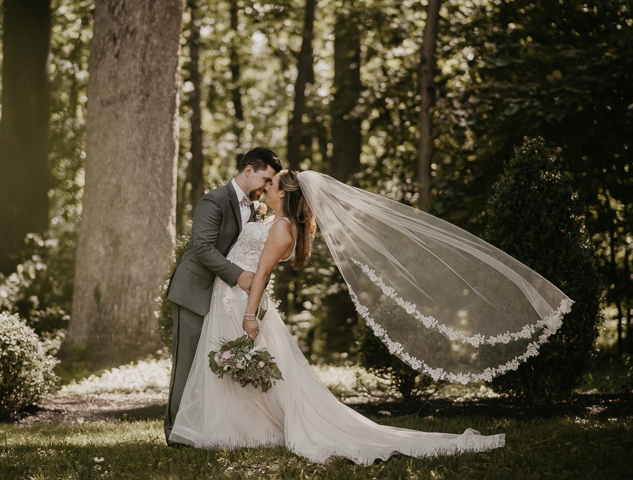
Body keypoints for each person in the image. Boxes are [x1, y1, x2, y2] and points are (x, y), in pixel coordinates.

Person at [168, 170, 507, 464]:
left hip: (241, 301)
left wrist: (249, 315)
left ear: (284, 193)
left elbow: (261, 275)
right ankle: (230, 427)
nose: (265, 187)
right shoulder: (275, 222)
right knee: (235, 367)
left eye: (271, 184)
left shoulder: (282, 229)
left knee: (242, 365)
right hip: (230, 297)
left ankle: (239, 429)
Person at [164, 147, 282, 447]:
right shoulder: (213, 200)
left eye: (270, 183)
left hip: (224, 298)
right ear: (248, 170)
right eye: (265, 179)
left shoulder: (256, 207)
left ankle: (202, 428)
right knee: (187, 365)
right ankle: (175, 433)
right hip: (194, 291)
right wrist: (238, 275)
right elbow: (202, 248)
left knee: (212, 365)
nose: (266, 187)